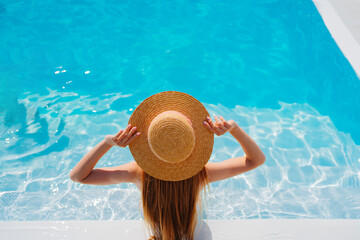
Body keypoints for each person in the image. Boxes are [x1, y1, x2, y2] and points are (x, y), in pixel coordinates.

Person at [70, 91, 265, 240]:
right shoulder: (202, 173)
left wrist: (107, 143)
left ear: (149, 141)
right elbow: (255, 160)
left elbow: (78, 176)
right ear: (193, 140)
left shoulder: (138, 173)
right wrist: (234, 129)